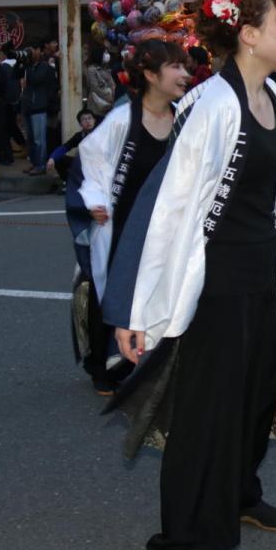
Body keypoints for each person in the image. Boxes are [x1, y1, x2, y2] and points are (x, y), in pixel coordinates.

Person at [102, 0, 276, 550]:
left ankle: (240, 494)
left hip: (262, 272)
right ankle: (190, 533)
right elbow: (168, 212)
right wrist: (139, 309)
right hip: (216, 282)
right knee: (208, 411)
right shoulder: (212, 104)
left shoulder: (274, 92)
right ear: (249, 32)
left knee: (255, 398)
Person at [70, 40, 190, 396]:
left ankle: (155, 363)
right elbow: (90, 162)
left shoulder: (187, 118)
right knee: (112, 294)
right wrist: (92, 200)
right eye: (176, 68)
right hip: (123, 226)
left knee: (165, 293)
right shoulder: (123, 119)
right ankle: (105, 366)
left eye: (185, 67)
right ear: (151, 75)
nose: (185, 74)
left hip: (167, 228)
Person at [21, 41, 57, 176]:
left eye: (32, 50)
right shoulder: (26, 66)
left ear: (39, 51)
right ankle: (34, 162)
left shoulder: (45, 67)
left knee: (38, 139)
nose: (29, 54)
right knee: (29, 139)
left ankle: (41, 165)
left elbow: (35, 79)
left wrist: (27, 67)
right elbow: (15, 76)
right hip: (26, 105)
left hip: (39, 106)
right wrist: (21, 63)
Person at [49, 108, 97, 185]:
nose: (88, 121)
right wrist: (52, 158)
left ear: (94, 120)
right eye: (84, 119)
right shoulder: (79, 136)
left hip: (100, 167)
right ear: (80, 123)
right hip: (84, 165)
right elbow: (65, 147)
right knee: (59, 159)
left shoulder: (102, 133)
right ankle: (70, 184)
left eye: (90, 118)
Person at [84, 45, 118, 118]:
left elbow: (112, 84)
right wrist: (110, 96)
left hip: (109, 105)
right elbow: (95, 87)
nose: (107, 55)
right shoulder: (92, 70)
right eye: (105, 53)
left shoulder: (106, 69)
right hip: (97, 106)